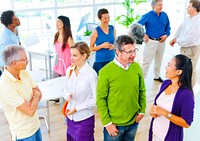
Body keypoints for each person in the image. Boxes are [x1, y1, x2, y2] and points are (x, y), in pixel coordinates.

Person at [97, 35, 146, 141]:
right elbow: (101, 99)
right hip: (114, 125)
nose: (133, 55)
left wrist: (142, 110)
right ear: (118, 52)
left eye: (134, 51)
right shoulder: (105, 72)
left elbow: (142, 90)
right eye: (129, 52)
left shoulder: (136, 67)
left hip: (133, 122)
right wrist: (107, 123)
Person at [0, 45, 42, 141]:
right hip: (24, 134)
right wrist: (35, 96)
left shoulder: (24, 73)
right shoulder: (4, 85)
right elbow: (30, 111)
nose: (27, 61)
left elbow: (39, 92)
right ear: (15, 63)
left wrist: (32, 101)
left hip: (36, 126)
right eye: (25, 59)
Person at [149, 54, 194, 141]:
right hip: (154, 132)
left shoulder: (186, 95)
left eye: (169, 65)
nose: (166, 67)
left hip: (169, 137)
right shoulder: (165, 83)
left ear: (178, 72)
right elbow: (157, 106)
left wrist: (165, 113)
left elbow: (186, 123)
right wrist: (153, 112)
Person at [63, 42, 97, 141]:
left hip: (84, 119)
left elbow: (95, 100)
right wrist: (67, 95)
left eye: (75, 55)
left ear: (84, 56)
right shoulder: (69, 70)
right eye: (71, 55)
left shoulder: (91, 74)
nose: (71, 58)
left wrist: (77, 108)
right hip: (70, 117)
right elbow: (64, 89)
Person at [138, 0, 171, 82]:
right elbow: (137, 26)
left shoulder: (164, 15)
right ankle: (141, 80)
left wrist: (166, 35)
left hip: (162, 42)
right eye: (159, 5)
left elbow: (168, 27)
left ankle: (157, 76)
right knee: (146, 62)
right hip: (151, 42)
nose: (161, 7)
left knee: (159, 60)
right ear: (153, 6)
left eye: (161, 5)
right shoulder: (147, 15)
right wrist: (144, 34)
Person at [170, 0, 200, 86]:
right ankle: (183, 86)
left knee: (190, 69)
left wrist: (177, 40)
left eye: (189, 6)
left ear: (194, 9)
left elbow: (191, 39)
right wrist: (174, 38)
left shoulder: (198, 22)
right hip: (184, 47)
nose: (187, 8)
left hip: (192, 48)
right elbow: (180, 29)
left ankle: (190, 90)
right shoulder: (188, 18)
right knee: (183, 68)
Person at [90, 8, 116, 74]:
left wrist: (113, 46)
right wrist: (102, 46)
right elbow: (91, 48)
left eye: (108, 17)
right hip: (100, 62)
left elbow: (116, 44)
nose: (107, 20)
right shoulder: (96, 31)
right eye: (105, 18)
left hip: (112, 60)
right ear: (100, 19)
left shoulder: (113, 28)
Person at [0, 10, 20, 76]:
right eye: (15, 19)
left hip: (14, 59)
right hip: (7, 64)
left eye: (16, 17)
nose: (17, 20)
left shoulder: (15, 28)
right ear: (9, 24)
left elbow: (18, 41)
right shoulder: (7, 39)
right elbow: (7, 58)